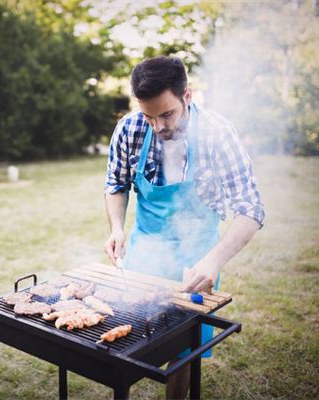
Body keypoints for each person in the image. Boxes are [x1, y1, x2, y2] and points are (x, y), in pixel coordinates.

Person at [104, 56, 264, 399]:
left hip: (198, 258)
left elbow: (251, 209)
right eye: (149, 116)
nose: (158, 127)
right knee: (128, 335)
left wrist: (214, 261)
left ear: (187, 96)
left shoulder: (217, 135)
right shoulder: (130, 130)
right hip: (146, 248)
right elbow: (116, 184)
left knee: (184, 351)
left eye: (166, 114)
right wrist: (117, 228)